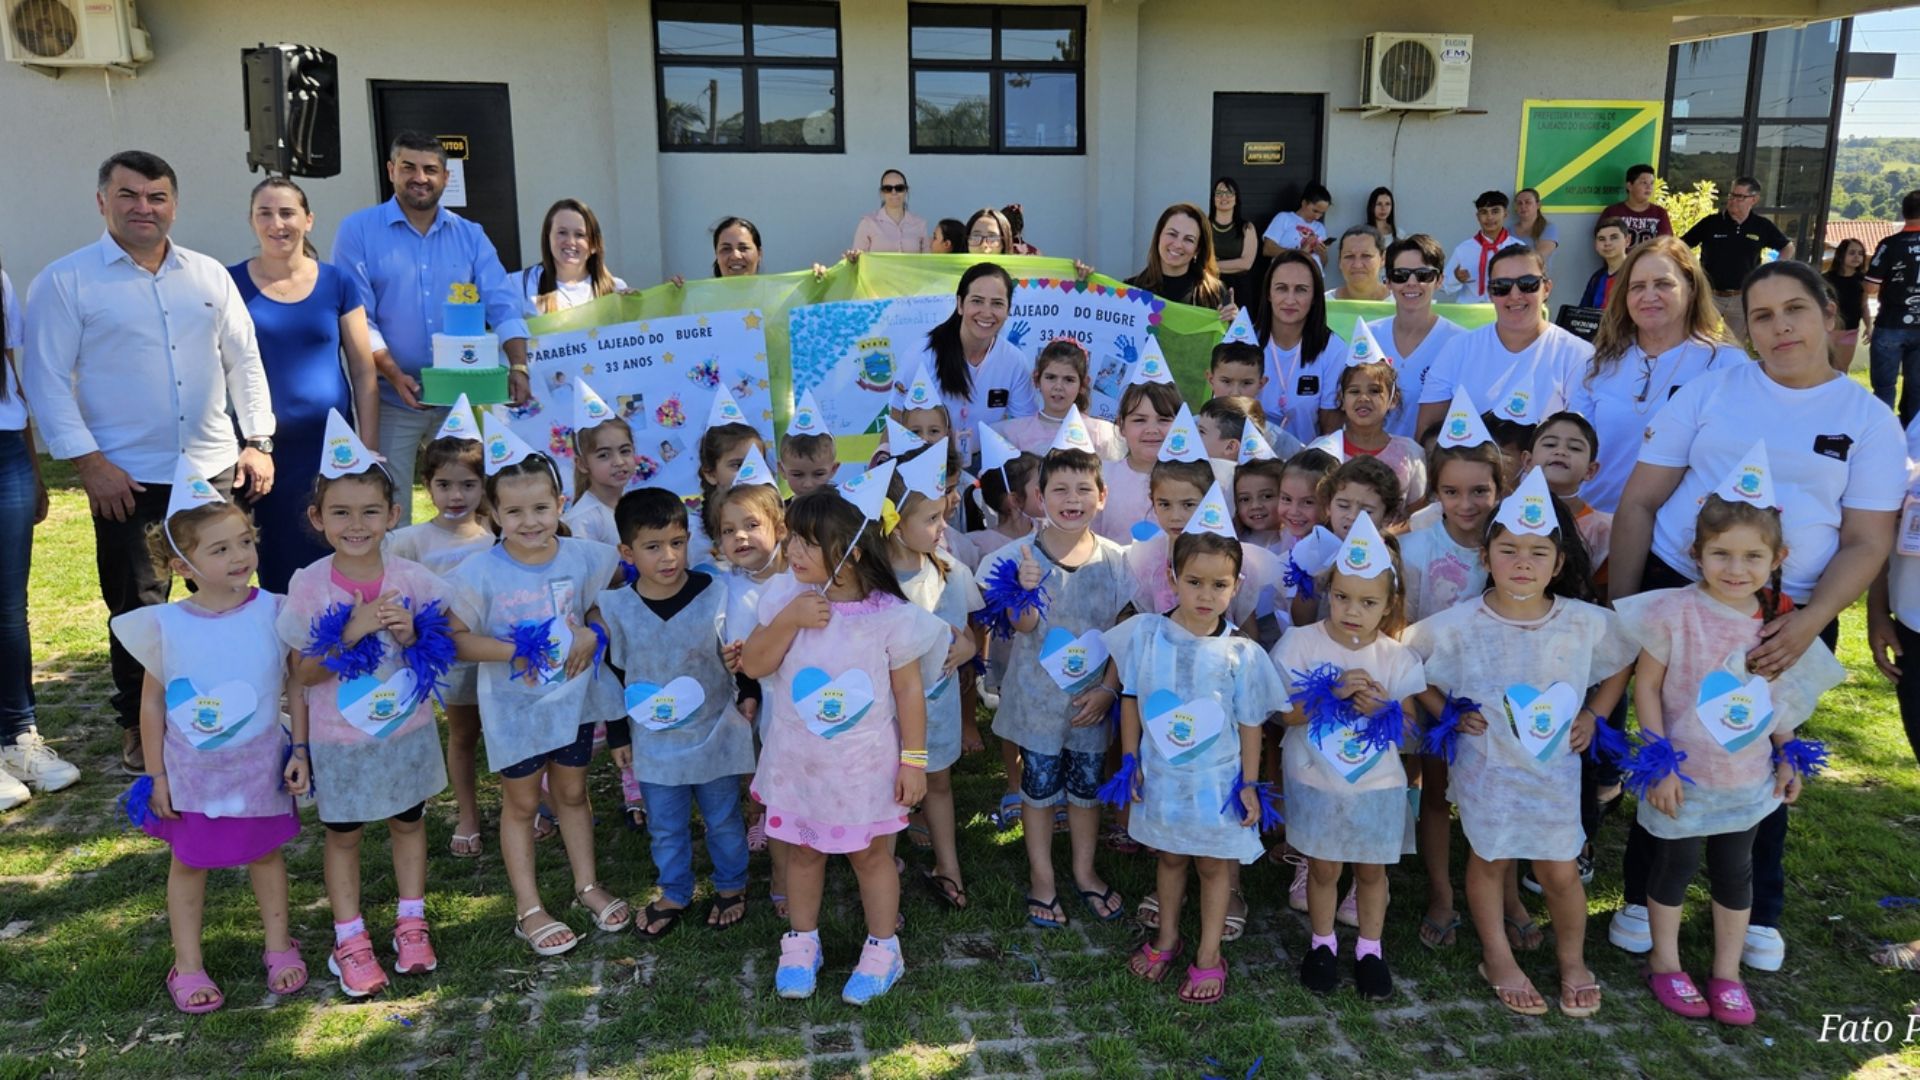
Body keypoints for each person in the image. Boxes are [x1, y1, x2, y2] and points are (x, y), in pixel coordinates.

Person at [1610, 260, 1905, 972]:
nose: (1779, 328)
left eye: (1794, 309)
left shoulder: (1868, 419)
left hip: (1788, 613)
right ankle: (1643, 893)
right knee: (1669, 743)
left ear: (1831, 315)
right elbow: (1640, 504)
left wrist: (1809, 622)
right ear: (1748, 330)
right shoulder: (1711, 391)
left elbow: (1869, 539)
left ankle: (1758, 904)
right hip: (1682, 594)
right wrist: (1625, 620)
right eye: (1763, 315)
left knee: (1760, 751)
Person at [22, 149, 274, 777]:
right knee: (138, 604)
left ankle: (247, 706)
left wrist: (258, 440)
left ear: (174, 204)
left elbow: (243, 359)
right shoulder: (65, 280)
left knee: (231, 593)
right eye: (129, 195)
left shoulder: (208, 276)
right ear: (102, 201)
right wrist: (88, 463)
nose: (144, 208)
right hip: (126, 477)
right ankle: (141, 725)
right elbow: (46, 378)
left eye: (156, 197)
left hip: (214, 466)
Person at [1616, 464, 1843, 1026]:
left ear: (1777, 560)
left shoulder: (1776, 626)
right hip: (1683, 776)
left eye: (1751, 557)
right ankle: (1666, 962)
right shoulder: (1672, 612)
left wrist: (1789, 754)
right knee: (1674, 864)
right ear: (1697, 554)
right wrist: (1659, 761)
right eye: (1721, 554)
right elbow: (1645, 685)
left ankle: (1727, 972)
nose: (1735, 569)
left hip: (1745, 776)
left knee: (1735, 871)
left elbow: (1779, 699)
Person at [1404, 471, 1637, 1018]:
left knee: (1558, 868)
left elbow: (1626, 658)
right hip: (1490, 771)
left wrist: (1593, 713)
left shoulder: (1582, 624)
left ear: (1558, 564)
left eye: (1537, 553)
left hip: (1554, 774)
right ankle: (1497, 956)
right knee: (1489, 857)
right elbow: (1411, 662)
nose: (1522, 563)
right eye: (1508, 550)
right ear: (1487, 557)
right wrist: (1448, 713)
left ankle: (1573, 959)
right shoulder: (1460, 625)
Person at [741, 482, 947, 1005]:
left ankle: (883, 949)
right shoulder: (785, 597)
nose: (793, 553)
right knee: (803, 854)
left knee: (871, 856)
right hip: (801, 764)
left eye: (809, 543)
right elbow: (754, 664)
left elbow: (908, 691)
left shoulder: (889, 617)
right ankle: (801, 943)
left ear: (851, 551)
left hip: (864, 769)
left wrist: (914, 762)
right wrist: (789, 619)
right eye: (792, 540)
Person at [276, 420, 460, 997]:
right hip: (339, 741)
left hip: (404, 730)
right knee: (345, 835)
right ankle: (349, 937)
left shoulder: (414, 579)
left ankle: (412, 921)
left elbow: (445, 642)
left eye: (369, 512)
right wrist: (353, 629)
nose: (356, 525)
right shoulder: (308, 585)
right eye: (341, 512)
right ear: (317, 519)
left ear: (394, 513)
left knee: (410, 822)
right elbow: (302, 673)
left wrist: (412, 635)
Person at [110, 466, 301, 1011]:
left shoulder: (275, 611)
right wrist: (156, 775)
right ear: (182, 566)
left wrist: (302, 748)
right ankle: (187, 964)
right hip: (191, 771)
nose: (239, 556)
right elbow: (151, 702)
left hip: (258, 764)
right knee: (189, 862)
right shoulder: (166, 626)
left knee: (265, 856)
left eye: (245, 541)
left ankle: (279, 945)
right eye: (220, 550)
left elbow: (296, 685)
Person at [446, 421, 632, 957]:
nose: (530, 522)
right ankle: (528, 907)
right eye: (514, 512)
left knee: (573, 793)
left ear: (559, 503)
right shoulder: (479, 573)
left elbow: (601, 601)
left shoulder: (583, 558)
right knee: (523, 803)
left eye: (541, 509)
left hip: (571, 704)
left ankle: (587, 884)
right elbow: (457, 639)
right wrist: (519, 652)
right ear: (494, 515)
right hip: (515, 711)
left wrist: (591, 630)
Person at [1109, 504, 1287, 1005]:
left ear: (1236, 584)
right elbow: (1131, 700)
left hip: (1216, 783)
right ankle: (1167, 937)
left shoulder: (1242, 652)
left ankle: (1209, 955)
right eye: (1194, 582)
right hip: (1162, 777)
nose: (1205, 596)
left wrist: (1249, 783)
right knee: (1168, 857)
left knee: (1212, 866)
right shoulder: (1147, 635)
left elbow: (1252, 720)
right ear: (1172, 577)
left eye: (1219, 585)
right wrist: (1129, 762)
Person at [332, 131, 530, 522]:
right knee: (390, 507)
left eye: (430, 169)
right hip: (390, 398)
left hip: (460, 397)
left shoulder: (470, 236)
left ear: (445, 178)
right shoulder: (357, 231)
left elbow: (503, 302)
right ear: (391, 171)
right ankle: (399, 582)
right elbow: (358, 318)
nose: (419, 177)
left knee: (473, 505)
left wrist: (519, 365)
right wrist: (393, 372)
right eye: (408, 167)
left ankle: (464, 581)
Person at [976, 447, 1133, 931]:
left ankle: (1084, 870)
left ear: (1102, 497)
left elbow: (1125, 633)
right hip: (1037, 704)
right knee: (1039, 790)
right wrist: (1023, 589)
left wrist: (1108, 690)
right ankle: (1042, 875)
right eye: (1059, 490)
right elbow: (1022, 628)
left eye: (1084, 489)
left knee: (1086, 792)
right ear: (1038, 498)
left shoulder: (1118, 562)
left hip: (1091, 703)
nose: (1072, 499)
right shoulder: (1021, 558)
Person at [1273, 511, 1425, 1001]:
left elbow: (1410, 730)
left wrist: (1383, 710)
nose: (1351, 610)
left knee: (1371, 870)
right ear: (1327, 592)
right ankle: (1322, 944)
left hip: (1376, 784)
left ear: (1388, 605)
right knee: (1323, 865)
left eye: (1367, 602)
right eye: (1341, 597)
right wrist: (1329, 694)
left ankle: (1370, 949)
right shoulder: (1300, 643)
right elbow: (1281, 714)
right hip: (1316, 778)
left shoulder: (1396, 658)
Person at [601, 486, 756, 935]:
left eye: (677, 542)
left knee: (724, 817)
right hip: (654, 742)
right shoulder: (618, 609)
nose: (668, 557)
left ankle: (731, 884)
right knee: (665, 825)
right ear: (627, 551)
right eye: (652, 547)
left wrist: (747, 689)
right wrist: (618, 734)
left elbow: (734, 650)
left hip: (714, 733)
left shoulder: (714, 591)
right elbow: (613, 675)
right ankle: (675, 890)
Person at [233, 177, 378, 594]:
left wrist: (366, 449)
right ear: (252, 221)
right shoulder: (230, 284)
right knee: (277, 563)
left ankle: (341, 648)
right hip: (264, 454)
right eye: (265, 213)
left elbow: (363, 370)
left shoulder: (337, 283)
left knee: (337, 554)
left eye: (287, 212)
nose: (277, 223)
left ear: (308, 220)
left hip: (330, 449)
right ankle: (287, 654)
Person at [1399, 404, 1503, 948]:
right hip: (1433, 692)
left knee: (1503, 789)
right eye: (1452, 491)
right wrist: (1438, 705)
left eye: (1479, 491)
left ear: (1498, 487)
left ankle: (1506, 894)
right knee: (1436, 789)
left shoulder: (1511, 547)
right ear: (1435, 491)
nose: (1467, 504)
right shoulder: (1415, 550)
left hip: (1499, 690)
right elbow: (1405, 633)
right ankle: (1441, 892)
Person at [1568, 236, 1742, 516]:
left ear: (1692, 289)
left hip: (1676, 540)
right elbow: (1573, 444)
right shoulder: (1599, 362)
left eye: (1663, 284)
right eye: (1638, 287)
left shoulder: (1725, 365)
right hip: (1594, 524)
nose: (1649, 296)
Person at [385, 414, 492, 857]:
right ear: (426, 484)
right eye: (445, 484)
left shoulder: (498, 534)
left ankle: (537, 801)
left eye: (468, 484)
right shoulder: (410, 542)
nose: (456, 496)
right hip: (452, 660)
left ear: (484, 486)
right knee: (464, 734)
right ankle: (467, 813)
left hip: (498, 652)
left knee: (512, 730)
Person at [885, 442, 983, 910]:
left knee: (938, 782)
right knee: (885, 795)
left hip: (937, 704)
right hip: (885, 715)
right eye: (931, 519)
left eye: (942, 515)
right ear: (894, 525)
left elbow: (964, 634)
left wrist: (965, 647)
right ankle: (881, 877)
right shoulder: (873, 581)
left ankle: (950, 865)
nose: (943, 527)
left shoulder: (947, 570)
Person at [0, 259, 64, 808]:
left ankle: (18, 737)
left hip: (5, 454)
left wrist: (33, 467)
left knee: (8, 608)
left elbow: (10, 372)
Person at [1417, 246, 1591, 442]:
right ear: (1490, 294)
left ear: (1547, 288)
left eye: (1527, 284)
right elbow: (1428, 432)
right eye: (1502, 286)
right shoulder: (1457, 349)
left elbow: (1581, 442)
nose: (1515, 295)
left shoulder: (1578, 355)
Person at [919, 263, 1040, 466]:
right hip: (927, 463)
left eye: (997, 303)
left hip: (987, 465)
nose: (986, 312)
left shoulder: (1014, 361)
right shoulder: (924, 354)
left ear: (1008, 310)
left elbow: (1024, 430)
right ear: (960, 304)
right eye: (977, 301)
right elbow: (898, 420)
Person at [1307, 326, 1426, 508]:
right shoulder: (1322, 450)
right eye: (1354, 391)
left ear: (1392, 399)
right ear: (1341, 399)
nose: (1363, 398)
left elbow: (1415, 513)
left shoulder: (1410, 454)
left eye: (1374, 391)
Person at [1367, 235, 1466, 440]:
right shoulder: (1369, 336)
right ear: (1387, 281)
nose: (1412, 283)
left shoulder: (1460, 342)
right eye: (1401, 275)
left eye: (1423, 275)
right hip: (1370, 462)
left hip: (1429, 463)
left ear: (1439, 281)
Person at [1681, 178, 1793, 345]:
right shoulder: (1711, 223)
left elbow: (1788, 248)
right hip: (1710, 295)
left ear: (1754, 200)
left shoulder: (1761, 226)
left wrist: (1770, 273)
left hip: (1741, 298)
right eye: (1731, 195)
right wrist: (1690, 274)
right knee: (1698, 342)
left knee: (1734, 346)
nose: (1733, 200)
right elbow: (1681, 246)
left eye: (1740, 196)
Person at [1256, 252, 1346, 444]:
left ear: (1314, 297)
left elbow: (1330, 429)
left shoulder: (1333, 349)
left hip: (1306, 466)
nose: (1290, 299)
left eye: (1301, 290)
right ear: (1268, 294)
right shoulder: (1247, 341)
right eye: (1281, 288)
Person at [994, 340, 1124, 460]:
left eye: (1069, 380)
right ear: (1037, 380)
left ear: (1083, 385)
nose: (1058, 387)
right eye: (1050, 377)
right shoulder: (1012, 432)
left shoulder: (1102, 434)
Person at [519, 198, 627, 315]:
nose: (570, 241)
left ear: (594, 244)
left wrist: (633, 308)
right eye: (562, 232)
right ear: (548, 236)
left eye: (579, 235)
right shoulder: (519, 285)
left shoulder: (616, 290)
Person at [1867, 190, 1920, 422]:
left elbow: (1870, 287)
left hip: (1890, 322)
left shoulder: (1889, 245)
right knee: (1918, 388)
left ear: (1903, 211)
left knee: (1884, 387)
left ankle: (1883, 435)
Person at [1128, 203, 1231, 310]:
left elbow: (1232, 326)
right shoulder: (1130, 290)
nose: (1177, 245)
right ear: (1159, 235)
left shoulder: (1214, 293)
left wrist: (1235, 321)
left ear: (1197, 249)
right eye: (1172, 234)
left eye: (1189, 239)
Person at [1440, 191, 1514, 300]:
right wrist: (1456, 279)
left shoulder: (1519, 248)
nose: (1489, 217)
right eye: (1484, 212)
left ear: (1505, 214)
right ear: (1478, 216)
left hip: (1506, 312)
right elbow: (1443, 286)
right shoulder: (1463, 249)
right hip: (1469, 314)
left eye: (1495, 211)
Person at [852, 170, 928, 254]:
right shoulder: (868, 223)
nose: (894, 192)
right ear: (881, 193)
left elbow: (927, 261)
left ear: (906, 191)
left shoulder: (920, 224)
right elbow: (857, 259)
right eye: (888, 189)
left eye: (899, 188)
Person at [1210, 177, 1259, 304]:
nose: (1223, 197)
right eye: (1219, 193)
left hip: (1240, 289)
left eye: (1229, 193)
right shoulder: (1203, 226)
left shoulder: (1247, 228)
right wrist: (1232, 265)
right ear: (1213, 198)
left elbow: (1246, 264)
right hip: (1210, 285)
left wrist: (1211, 265)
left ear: (1236, 198)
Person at [1601, 164, 1675, 248]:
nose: (1649, 187)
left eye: (1651, 183)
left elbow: (1665, 244)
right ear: (1629, 186)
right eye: (1644, 183)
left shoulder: (1660, 213)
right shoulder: (1612, 212)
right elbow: (1604, 244)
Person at [1825, 236, 1871, 364]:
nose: (1857, 257)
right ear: (1841, 255)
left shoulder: (1863, 281)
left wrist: (1868, 327)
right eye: (1852, 253)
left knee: (1841, 370)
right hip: (1828, 330)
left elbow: (1864, 305)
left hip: (1850, 330)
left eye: (1860, 253)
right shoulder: (1826, 279)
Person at [1261, 183, 1333, 263]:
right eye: (1315, 211)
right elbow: (1267, 249)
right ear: (1304, 203)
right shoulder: (1284, 218)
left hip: (1312, 274)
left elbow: (1324, 263)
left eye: (1322, 213)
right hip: (1285, 272)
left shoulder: (1320, 227)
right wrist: (1300, 253)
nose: (1317, 217)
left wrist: (1321, 252)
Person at [1576, 219, 1630, 310]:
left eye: (1614, 237)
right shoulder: (1597, 278)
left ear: (1627, 240)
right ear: (1596, 245)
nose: (1607, 243)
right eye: (1601, 239)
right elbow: (1583, 312)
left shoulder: (1636, 273)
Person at [1328, 226, 1389, 302]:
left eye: (1366, 256)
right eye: (1349, 256)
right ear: (1340, 261)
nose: (1357, 265)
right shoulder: (1323, 304)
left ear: (1383, 259)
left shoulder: (1401, 304)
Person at [1511, 188, 1559, 267]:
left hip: (1536, 277)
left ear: (1538, 205)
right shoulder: (1508, 230)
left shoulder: (1548, 228)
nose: (1523, 206)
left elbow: (1539, 256)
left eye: (1528, 202)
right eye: (1519, 203)